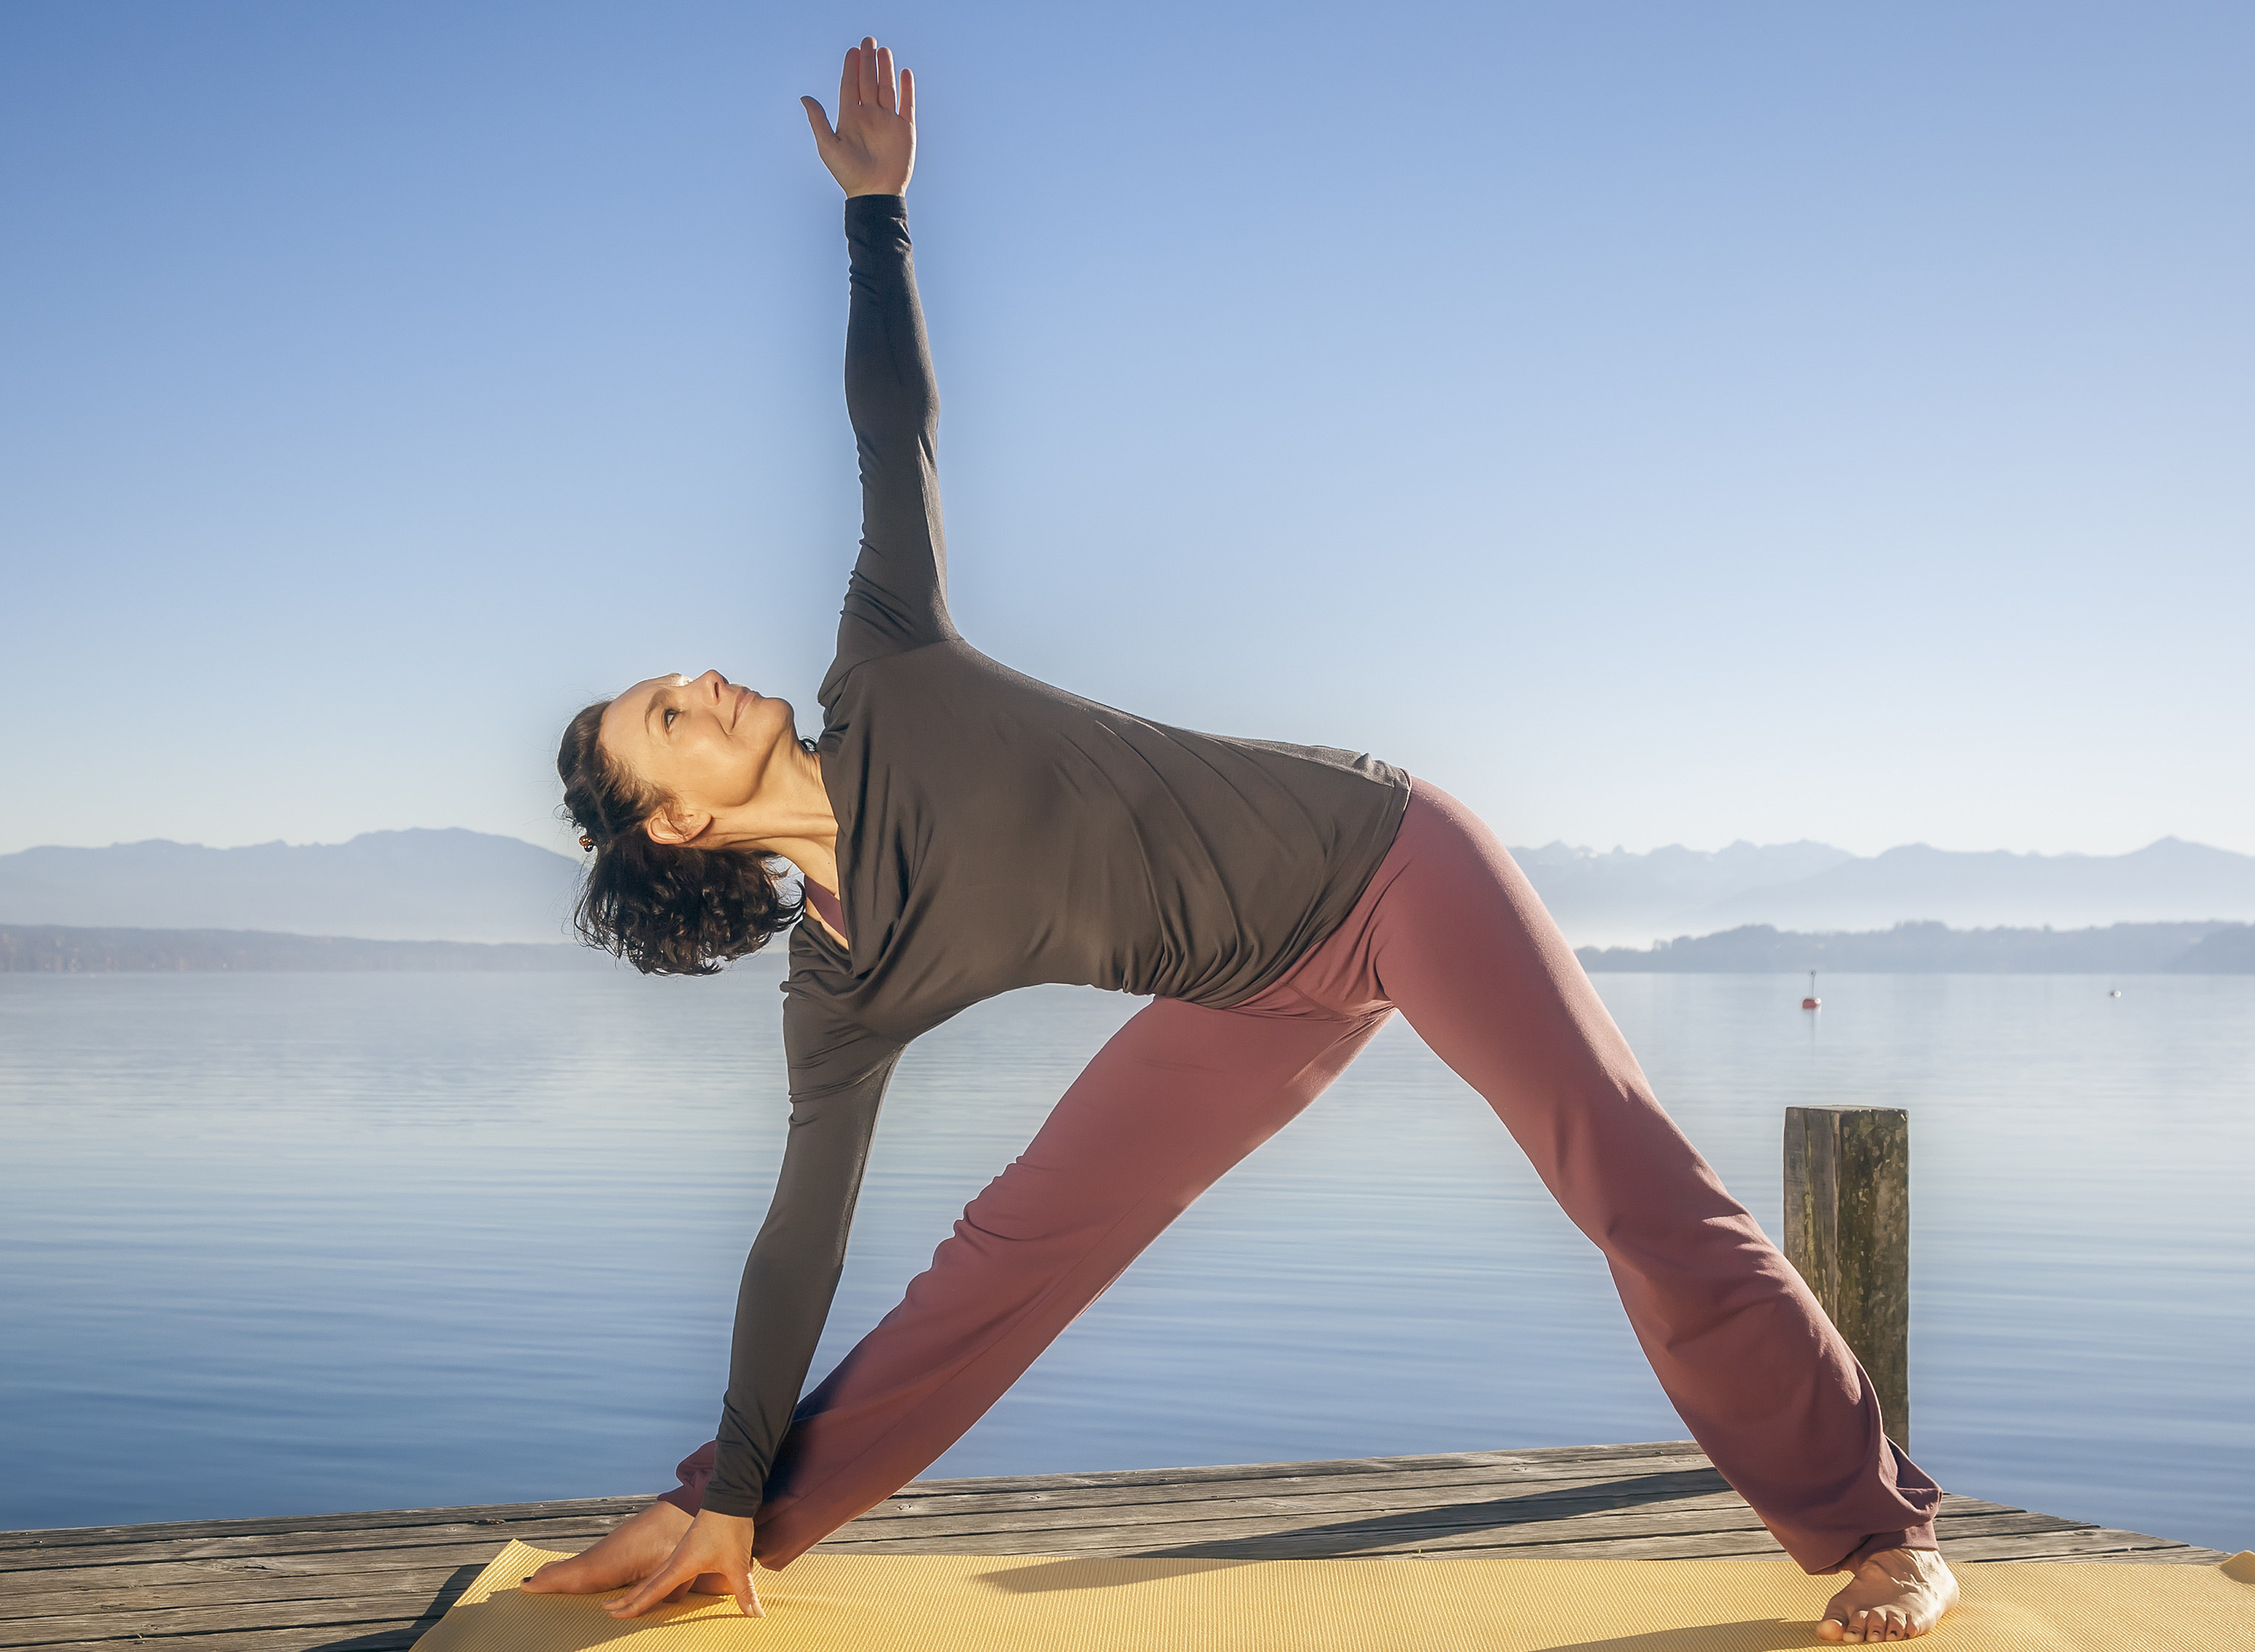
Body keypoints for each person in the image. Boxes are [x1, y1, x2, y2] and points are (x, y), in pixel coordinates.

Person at [520, 38, 1957, 1644]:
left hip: (1386, 861)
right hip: (1247, 989)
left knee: (1626, 1181)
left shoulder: (886, 660)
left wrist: (875, 218)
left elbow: (891, 427)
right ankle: (722, 1523)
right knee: (1011, 1250)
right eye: (669, 711)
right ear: (679, 819)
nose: (703, 680)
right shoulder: (841, 984)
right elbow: (800, 1242)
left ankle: (1873, 1530)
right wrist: (724, 1478)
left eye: (679, 676)